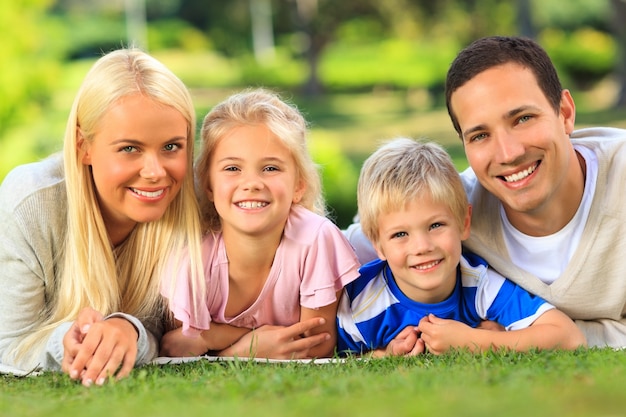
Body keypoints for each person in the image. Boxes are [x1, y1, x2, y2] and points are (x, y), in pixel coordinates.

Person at [345, 35, 626, 348]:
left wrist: (508, 338)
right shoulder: (446, 209)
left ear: (565, 112)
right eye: (480, 136)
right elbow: (315, 254)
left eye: (523, 118)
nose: (508, 153)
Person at [0, 48, 205, 386]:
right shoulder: (29, 203)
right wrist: (68, 341)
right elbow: (8, 343)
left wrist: (129, 331)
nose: (155, 173)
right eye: (130, 148)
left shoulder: (194, 200)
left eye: (171, 147)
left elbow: (168, 329)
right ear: (84, 146)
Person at [160, 88, 361, 359]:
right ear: (208, 184)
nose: (252, 183)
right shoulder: (192, 259)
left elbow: (317, 344)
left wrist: (215, 341)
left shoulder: (315, 239)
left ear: (299, 185)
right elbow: (178, 346)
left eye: (271, 168)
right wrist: (251, 345)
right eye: (232, 168)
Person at [337, 137, 586, 357]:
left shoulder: (478, 284)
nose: (422, 246)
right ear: (377, 245)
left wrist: (475, 341)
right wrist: (382, 355)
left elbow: (569, 337)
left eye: (435, 225)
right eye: (401, 234)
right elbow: (325, 358)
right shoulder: (361, 304)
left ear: (463, 223)